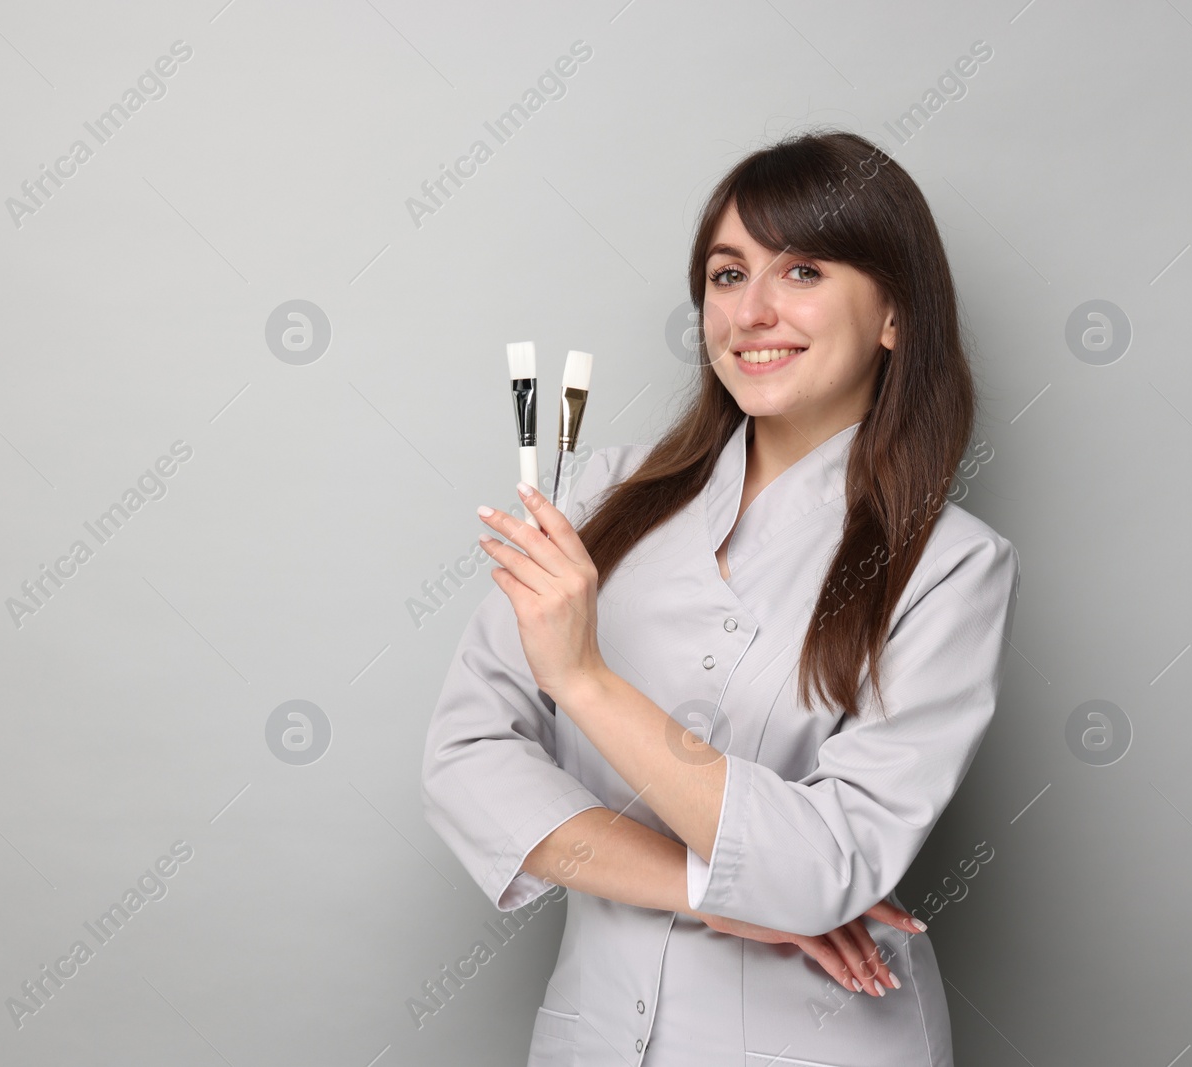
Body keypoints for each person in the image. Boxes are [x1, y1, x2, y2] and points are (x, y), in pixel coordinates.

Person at [422, 127, 1021, 1066]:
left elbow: (825, 868)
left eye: (805, 272)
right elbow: (467, 763)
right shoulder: (597, 502)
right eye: (728, 274)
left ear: (895, 313)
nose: (752, 312)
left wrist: (582, 680)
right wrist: (713, 887)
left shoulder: (950, 565)